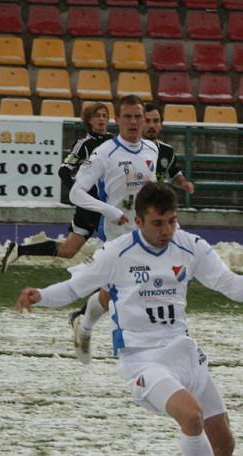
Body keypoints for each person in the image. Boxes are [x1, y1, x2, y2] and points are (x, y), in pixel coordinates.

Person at [16, 182, 243, 456]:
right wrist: (40, 295)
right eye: (158, 223)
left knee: (225, 442)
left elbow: (234, 289)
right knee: (191, 416)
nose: (167, 230)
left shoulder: (191, 246)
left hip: (184, 352)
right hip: (142, 359)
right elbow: (76, 288)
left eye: (172, 221)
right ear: (138, 221)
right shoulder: (116, 253)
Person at [66, 95, 158, 364]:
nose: (133, 121)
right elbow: (76, 192)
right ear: (117, 120)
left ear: (144, 119)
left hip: (145, 237)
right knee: (129, 291)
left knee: (117, 292)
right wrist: (110, 211)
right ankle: (131, 349)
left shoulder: (152, 150)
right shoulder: (104, 153)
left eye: (137, 116)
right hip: (116, 237)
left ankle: (82, 323)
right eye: (127, 116)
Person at [1, 102, 112, 271]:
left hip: (108, 203)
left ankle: (19, 250)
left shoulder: (114, 142)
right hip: (93, 206)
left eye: (105, 115)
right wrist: (80, 194)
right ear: (89, 120)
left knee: (69, 251)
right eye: (97, 115)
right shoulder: (84, 145)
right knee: (110, 246)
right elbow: (63, 171)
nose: (102, 119)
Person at [143, 102, 195, 195]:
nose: (151, 125)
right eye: (147, 121)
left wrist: (183, 183)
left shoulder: (167, 151)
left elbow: (173, 174)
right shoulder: (127, 148)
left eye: (156, 121)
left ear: (161, 124)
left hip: (154, 204)